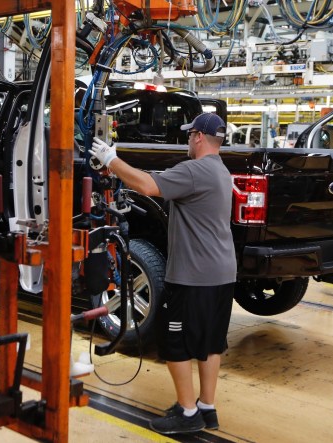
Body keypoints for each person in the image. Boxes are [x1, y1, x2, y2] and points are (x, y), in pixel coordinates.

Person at [89, 112, 237, 435]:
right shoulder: (220, 172)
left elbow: (147, 185)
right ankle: (206, 408)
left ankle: (187, 412)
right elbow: (162, 179)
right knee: (210, 342)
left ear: (199, 137)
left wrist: (111, 160)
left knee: (175, 344)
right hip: (223, 273)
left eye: (188, 135)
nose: (186, 140)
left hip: (193, 277)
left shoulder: (195, 171)